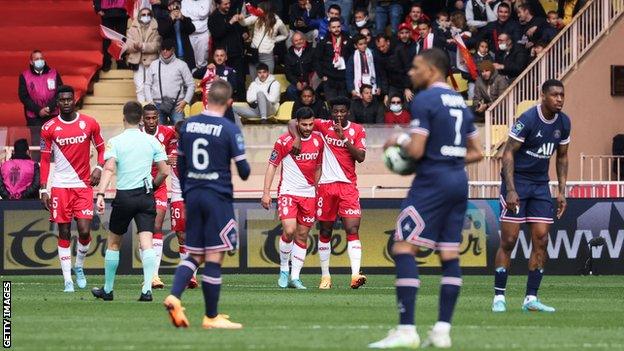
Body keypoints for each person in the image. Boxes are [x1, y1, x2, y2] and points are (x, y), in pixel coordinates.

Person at [369, 48, 483, 349]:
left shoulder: (425, 99)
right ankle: (442, 330)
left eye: (416, 66)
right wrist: (445, 156)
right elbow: (477, 152)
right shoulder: (460, 101)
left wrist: (399, 139)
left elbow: (416, 150)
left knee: (403, 245)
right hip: (458, 180)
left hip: (432, 181)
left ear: (431, 70)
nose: (410, 72)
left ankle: (407, 330)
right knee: (448, 252)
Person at [164, 80, 250, 329]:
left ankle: (174, 296)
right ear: (230, 102)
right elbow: (244, 171)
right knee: (214, 256)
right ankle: (211, 317)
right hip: (217, 197)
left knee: (195, 253)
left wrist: (190, 187)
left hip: (192, 195)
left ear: (206, 99)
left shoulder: (188, 125)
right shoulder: (228, 128)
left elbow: (179, 164)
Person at [492, 79, 571, 313]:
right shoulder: (528, 119)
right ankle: (499, 298)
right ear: (543, 95)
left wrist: (561, 191)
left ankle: (531, 298)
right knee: (509, 241)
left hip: (540, 186)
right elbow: (507, 154)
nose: (559, 99)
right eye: (555, 95)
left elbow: (563, 156)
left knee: (542, 240)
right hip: (517, 183)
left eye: (562, 95)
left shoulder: (564, 123)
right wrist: (511, 189)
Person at [92, 101, 170, 302]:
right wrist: (152, 186)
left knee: (114, 243)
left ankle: (108, 290)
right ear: (142, 119)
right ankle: (146, 290)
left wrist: (100, 194)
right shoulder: (152, 141)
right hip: (145, 197)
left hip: (124, 197)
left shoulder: (116, 141)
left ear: (124, 117)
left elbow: (108, 169)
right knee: (147, 243)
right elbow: (165, 171)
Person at [288, 96, 367, 290]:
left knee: (352, 229)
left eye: (342, 111)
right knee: (325, 231)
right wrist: (297, 137)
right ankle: (325, 277)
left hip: (347, 186)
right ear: (330, 112)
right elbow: (292, 122)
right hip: (325, 186)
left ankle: (355, 274)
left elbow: (361, 157)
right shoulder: (323, 126)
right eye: (335, 111)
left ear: (348, 111)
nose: (338, 115)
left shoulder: (357, 130)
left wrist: (343, 138)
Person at [39, 85, 105, 292]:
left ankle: (79, 267)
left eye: (69, 99)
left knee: (85, 231)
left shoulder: (89, 123)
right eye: (62, 100)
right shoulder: (48, 127)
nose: (66, 103)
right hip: (60, 186)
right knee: (64, 231)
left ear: (74, 100)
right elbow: (44, 159)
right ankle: (67, 280)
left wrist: (99, 167)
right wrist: (43, 189)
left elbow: (102, 148)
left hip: (83, 185)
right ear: (57, 103)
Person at [262, 107, 324, 289]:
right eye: (304, 124)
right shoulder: (283, 141)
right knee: (289, 230)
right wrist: (266, 192)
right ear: (297, 123)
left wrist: (316, 187)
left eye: (311, 124)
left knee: (303, 235)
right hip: (288, 191)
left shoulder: (318, 141)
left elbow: (318, 166)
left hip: (309, 194)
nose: (308, 128)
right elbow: (272, 166)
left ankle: (295, 277)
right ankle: (283, 269)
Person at [140, 104, 177, 289]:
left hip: (159, 185)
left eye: (154, 118)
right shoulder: (137, 136)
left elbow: (182, 136)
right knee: (145, 229)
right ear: (142, 119)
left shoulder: (166, 132)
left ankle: (154, 275)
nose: (152, 121)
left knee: (156, 225)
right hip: (139, 185)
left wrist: (172, 155)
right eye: (148, 118)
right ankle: (148, 272)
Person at [168, 120, 199, 289]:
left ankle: (191, 275)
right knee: (181, 235)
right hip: (178, 196)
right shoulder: (170, 149)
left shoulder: (197, 149)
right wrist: (166, 159)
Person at [144, 39, 195, 125]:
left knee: (179, 129)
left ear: (173, 50)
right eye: (162, 49)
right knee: (158, 131)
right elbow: (147, 85)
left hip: (177, 105)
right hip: (157, 104)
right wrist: (150, 102)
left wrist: (185, 101)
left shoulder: (181, 65)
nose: (165, 51)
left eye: (167, 49)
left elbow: (191, 85)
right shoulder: (154, 64)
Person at [18, 50, 63, 144]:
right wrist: (39, 110)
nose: (40, 60)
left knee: (54, 144)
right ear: (31, 62)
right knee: (38, 145)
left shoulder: (54, 73)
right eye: (37, 59)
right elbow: (24, 97)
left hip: (52, 114)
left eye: (41, 58)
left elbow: (60, 93)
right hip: (34, 118)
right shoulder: (24, 76)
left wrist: (49, 108)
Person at [239, 1, 289, 78]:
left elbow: (285, 34)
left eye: (259, 9)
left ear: (266, 10)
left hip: (267, 56)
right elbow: (244, 23)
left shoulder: (277, 21)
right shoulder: (256, 17)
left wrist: (274, 39)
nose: (257, 10)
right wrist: (241, 19)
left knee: (268, 80)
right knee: (254, 80)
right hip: (254, 54)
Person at [209, 0, 246, 101]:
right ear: (218, 5)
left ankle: (242, 104)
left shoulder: (232, 13)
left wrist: (244, 33)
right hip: (223, 57)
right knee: (225, 83)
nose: (228, 6)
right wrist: (230, 22)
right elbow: (217, 34)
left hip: (237, 53)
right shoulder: (213, 18)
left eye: (229, 3)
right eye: (225, 4)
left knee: (240, 81)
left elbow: (240, 28)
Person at [126, 7, 162, 102]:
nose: (146, 16)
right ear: (139, 16)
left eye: (148, 14)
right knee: (139, 87)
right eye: (143, 14)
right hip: (136, 61)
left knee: (150, 86)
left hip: (151, 61)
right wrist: (135, 46)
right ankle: (142, 107)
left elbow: (157, 45)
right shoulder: (132, 29)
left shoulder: (156, 28)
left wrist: (143, 46)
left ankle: (151, 108)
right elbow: (127, 45)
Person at [316, 17, 352, 99]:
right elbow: (317, 59)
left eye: (338, 26)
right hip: (329, 78)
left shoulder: (348, 39)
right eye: (333, 27)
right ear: (329, 28)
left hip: (344, 78)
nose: (336, 29)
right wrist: (321, 75)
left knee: (344, 105)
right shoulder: (323, 41)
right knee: (332, 105)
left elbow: (352, 58)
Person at [157, 0, 197, 71]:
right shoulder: (163, 19)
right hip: (171, 56)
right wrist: (171, 19)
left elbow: (192, 29)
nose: (176, 6)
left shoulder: (185, 19)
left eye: (178, 4)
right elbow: (162, 32)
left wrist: (182, 18)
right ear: (169, 7)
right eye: (173, 4)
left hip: (186, 56)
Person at [94, 0, 128, 71]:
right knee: (107, 39)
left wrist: (130, 8)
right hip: (106, 12)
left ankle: (121, 62)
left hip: (122, 10)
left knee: (121, 38)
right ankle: (107, 62)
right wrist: (98, 8)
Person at [346, 34, 382, 99]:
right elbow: (349, 74)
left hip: (372, 83)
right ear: (355, 45)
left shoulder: (373, 54)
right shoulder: (353, 57)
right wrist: (351, 89)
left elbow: (378, 71)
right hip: (359, 84)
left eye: (365, 43)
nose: (364, 46)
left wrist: (379, 86)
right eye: (360, 44)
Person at [181, 0, 211, 73]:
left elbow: (203, 13)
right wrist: (199, 17)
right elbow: (184, 14)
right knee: (191, 62)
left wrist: (190, 15)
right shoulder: (184, 1)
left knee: (202, 61)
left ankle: (203, 81)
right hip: (190, 34)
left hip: (203, 33)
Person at [285, 32, 315, 100]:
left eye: (300, 39)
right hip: (297, 82)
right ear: (292, 43)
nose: (299, 42)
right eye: (296, 40)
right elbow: (288, 73)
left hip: (310, 81)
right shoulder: (288, 56)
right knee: (290, 90)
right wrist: (297, 83)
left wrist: (306, 81)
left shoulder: (312, 51)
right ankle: (299, 108)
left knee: (315, 88)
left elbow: (315, 68)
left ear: (304, 40)